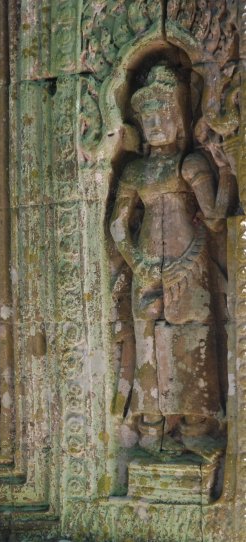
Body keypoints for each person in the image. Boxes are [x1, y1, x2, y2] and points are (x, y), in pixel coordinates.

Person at [110, 64, 233, 461]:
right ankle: (151, 424)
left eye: (164, 114)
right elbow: (117, 224)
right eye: (147, 118)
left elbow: (214, 217)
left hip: (190, 262)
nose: (156, 124)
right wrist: (136, 261)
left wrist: (226, 171)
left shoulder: (191, 165)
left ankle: (197, 423)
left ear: (180, 119)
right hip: (145, 264)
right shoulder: (133, 170)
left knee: (192, 336)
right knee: (146, 339)